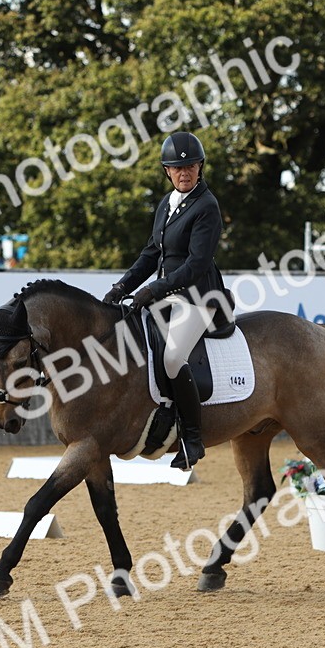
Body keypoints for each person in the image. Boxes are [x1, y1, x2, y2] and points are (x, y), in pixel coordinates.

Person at [102, 131, 229, 470]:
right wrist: (121, 286)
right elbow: (150, 254)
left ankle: (192, 438)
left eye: (190, 166)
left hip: (198, 297)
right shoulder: (167, 203)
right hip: (167, 296)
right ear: (167, 171)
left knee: (173, 357)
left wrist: (153, 291)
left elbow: (196, 265)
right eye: (177, 168)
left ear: (200, 167)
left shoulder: (207, 206)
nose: (184, 172)